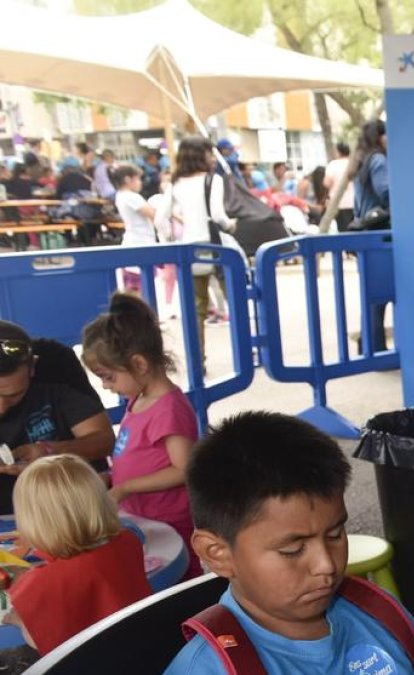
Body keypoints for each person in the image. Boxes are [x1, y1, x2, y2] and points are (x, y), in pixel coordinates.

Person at [164, 411, 414, 674]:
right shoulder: (206, 669)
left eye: (335, 535)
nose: (326, 564)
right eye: (293, 549)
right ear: (217, 554)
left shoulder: (380, 613)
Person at [81, 293, 201, 577]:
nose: (106, 386)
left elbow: (184, 469)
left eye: (108, 376)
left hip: (170, 520)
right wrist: (110, 479)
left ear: (139, 364)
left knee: (176, 581)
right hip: (143, 515)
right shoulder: (139, 399)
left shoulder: (169, 409)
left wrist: (126, 487)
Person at [6, 454, 152, 656]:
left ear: (33, 521)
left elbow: (35, 639)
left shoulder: (40, 582)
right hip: (141, 648)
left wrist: (16, 618)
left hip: (90, 662)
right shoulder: (128, 541)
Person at [0, 320, 115, 513]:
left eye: (13, 395)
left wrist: (51, 452)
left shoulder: (56, 367)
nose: (1, 408)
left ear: (33, 366)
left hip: (71, 508)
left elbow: (105, 441)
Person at [161, 136, 236, 363]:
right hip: (217, 249)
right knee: (235, 302)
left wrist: (169, 240)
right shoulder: (213, 180)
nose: (212, 157)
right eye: (209, 152)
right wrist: (231, 225)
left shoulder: (175, 184)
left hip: (190, 250)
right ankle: (245, 352)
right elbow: (218, 216)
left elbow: (160, 218)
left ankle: (197, 360)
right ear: (200, 155)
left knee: (196, 309)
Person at [353, 120, 391, 353]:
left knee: (372, 294)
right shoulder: (378, 160)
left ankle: (370, 345)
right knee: (381, 294)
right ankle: (375, 347)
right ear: (379, 136)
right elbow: (386, 192)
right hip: (380, 232)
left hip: (367, 233)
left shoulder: (362, 161)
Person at [113, 165, 162, 293]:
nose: (140, 183)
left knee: (131, 287)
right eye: (138, 179)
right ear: (127, 179)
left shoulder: (120, 195)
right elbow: (153, 215)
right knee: (141, 286)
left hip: (133, 242)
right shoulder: (131, 197)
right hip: (140, 242)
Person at [323, 142, 357, 232]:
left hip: (340, 203)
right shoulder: (353, 163)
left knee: (344, 230)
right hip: (355, 202)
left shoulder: (333, 165)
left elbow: (327, 183)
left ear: (338, 151)